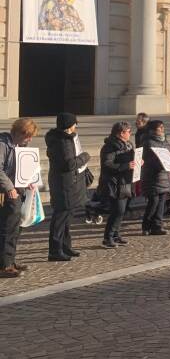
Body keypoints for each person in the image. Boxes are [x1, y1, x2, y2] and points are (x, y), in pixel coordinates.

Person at [45, 112, 90, 261]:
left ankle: (65, 246)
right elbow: (69, 164)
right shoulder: (62, 142)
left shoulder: (64, 139)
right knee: (60, 217)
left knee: (66, 216)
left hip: (67, 182)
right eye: (74, 123)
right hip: (64, 184)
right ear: (69, 125)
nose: (76, 126)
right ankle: (55, 250)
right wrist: (85, 156)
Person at [0, 118, 38, 277]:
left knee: (15, 228)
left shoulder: (21, 145)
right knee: (7, 228)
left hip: (18, 190)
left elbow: (23, 168)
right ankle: (4, 266)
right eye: (28, 136)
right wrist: (9, 188)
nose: (29, 140)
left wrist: (29, 181)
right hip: (5, 192)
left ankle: (10, 260)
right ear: (19, 132)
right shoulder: (2, 144)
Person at [98, 121, 135, 248]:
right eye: (129, 131)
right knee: (117, 211)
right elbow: (107, 164)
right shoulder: (110, 146)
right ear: (121, 133)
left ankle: (115, 235)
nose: (130, 133)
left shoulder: (129, 145)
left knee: (122, 211)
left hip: (125, 182)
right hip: (114, 183)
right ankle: (107, 238)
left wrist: (137, 162)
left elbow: (131, 160)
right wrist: (126, 166)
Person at [139, 120, 170, 236]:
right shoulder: (148, 142)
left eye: (163, 127)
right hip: (152, 177)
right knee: (153, 202)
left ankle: (157, 226)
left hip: (164, 176)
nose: (162, 130)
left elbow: (169, 155)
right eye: (159, 128)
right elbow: (149, 160)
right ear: (153, 130)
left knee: (161, 203)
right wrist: (163, 163)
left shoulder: (165, 141)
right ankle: (146, 226)